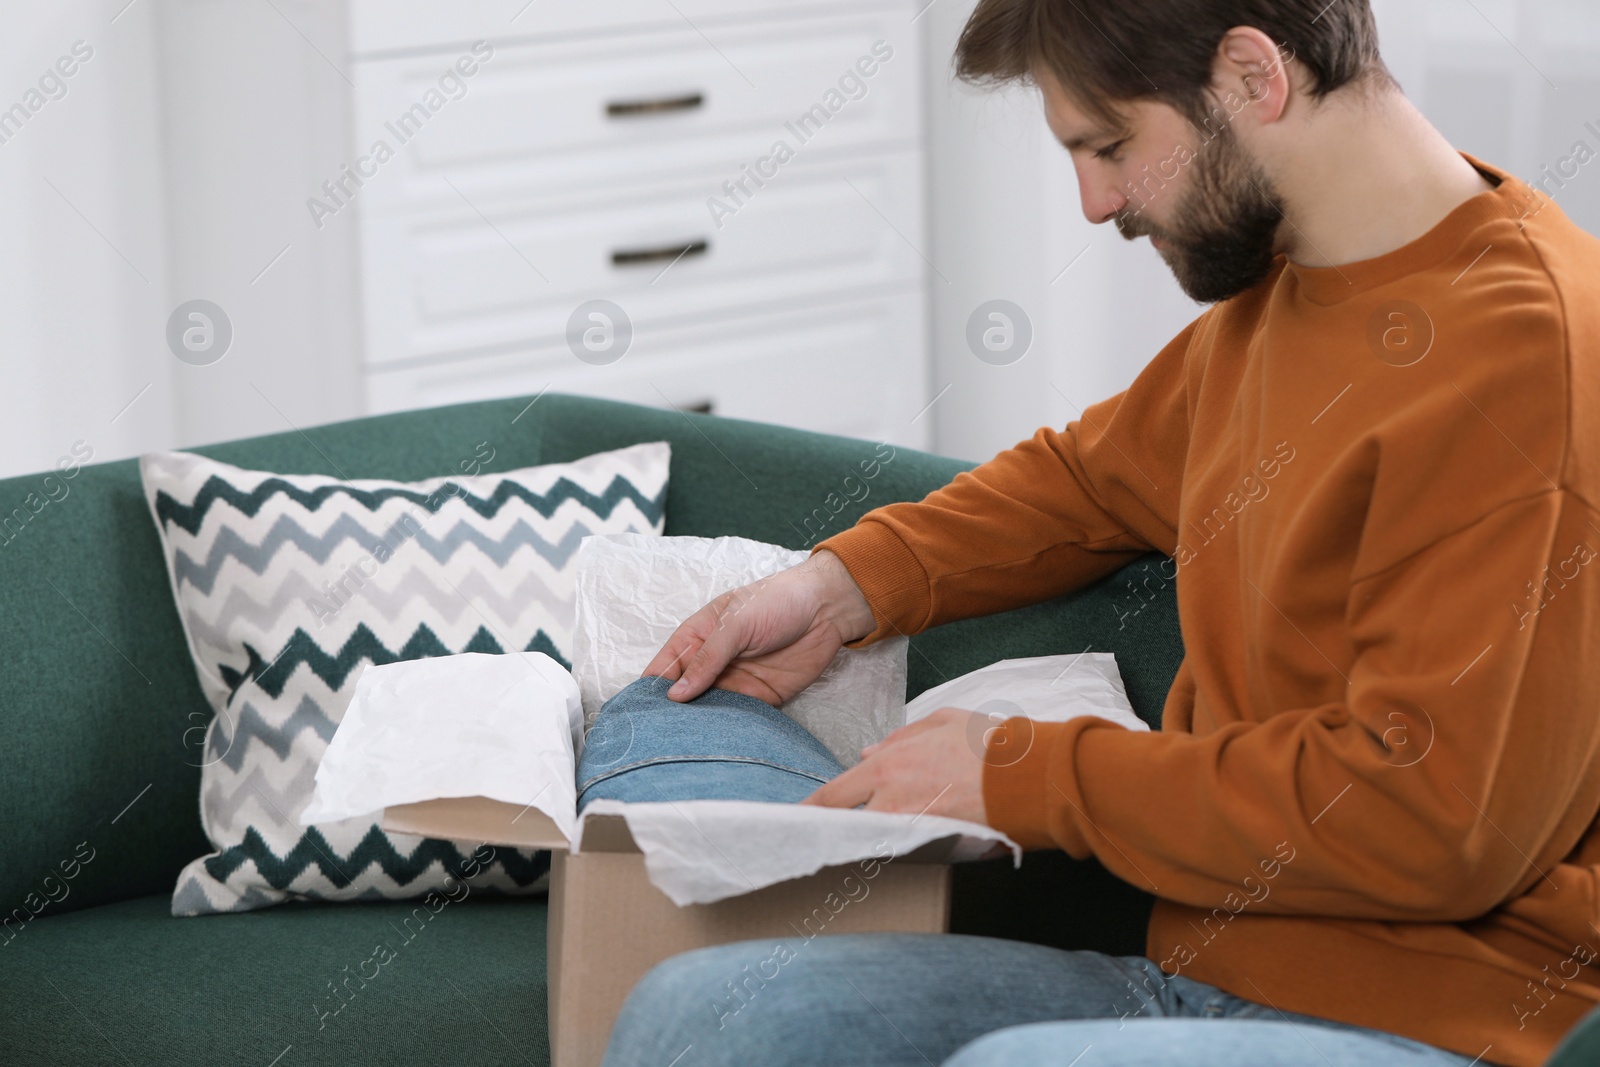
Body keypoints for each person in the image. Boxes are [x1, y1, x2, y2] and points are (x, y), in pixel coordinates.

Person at [604, 1, 1600, 1064]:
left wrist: (1017, 775)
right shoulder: (1283, 295)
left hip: (1443, 1022)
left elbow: (1435, 819)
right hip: (1197, 983)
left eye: (1110, 144)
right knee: (699, 1014)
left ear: (1251, 75)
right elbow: (1089, 480)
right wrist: (843, 584)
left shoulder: (1522, 355)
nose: (1095, 202)